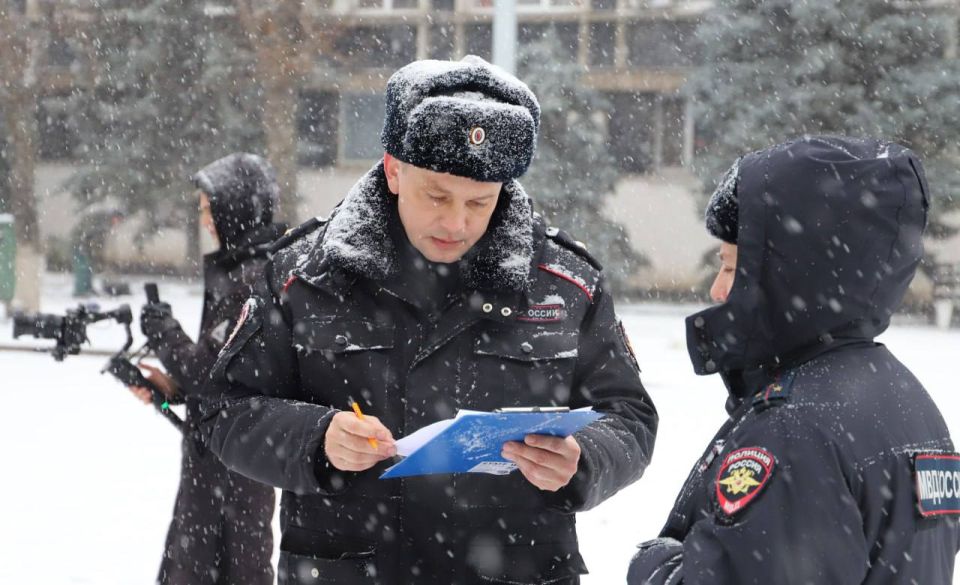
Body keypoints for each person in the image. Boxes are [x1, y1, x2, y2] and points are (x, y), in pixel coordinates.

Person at [200, 56, 658, 585]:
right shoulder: (305, 275)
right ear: (394, 170)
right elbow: (225, 410)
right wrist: (316, 437)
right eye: (437, 195)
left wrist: (586, 460)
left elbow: (629, 417)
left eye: (480, 202)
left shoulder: (564, 284)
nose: (456, 222)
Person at [627, 136, 960, 584]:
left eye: (731, 268)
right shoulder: (901, 396)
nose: (717, 291)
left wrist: (657, 567)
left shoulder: (796, 429)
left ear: (788, 273)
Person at [128, 153, 285, 585]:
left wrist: (164, 332)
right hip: (218, 465)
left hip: (234, 472)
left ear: (234, 208)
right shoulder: (240, 268)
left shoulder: (252, 277)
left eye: (208, 208)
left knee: (227, 571)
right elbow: (224, 376)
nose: (206, 220)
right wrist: (171, 388)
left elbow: (211, 375)